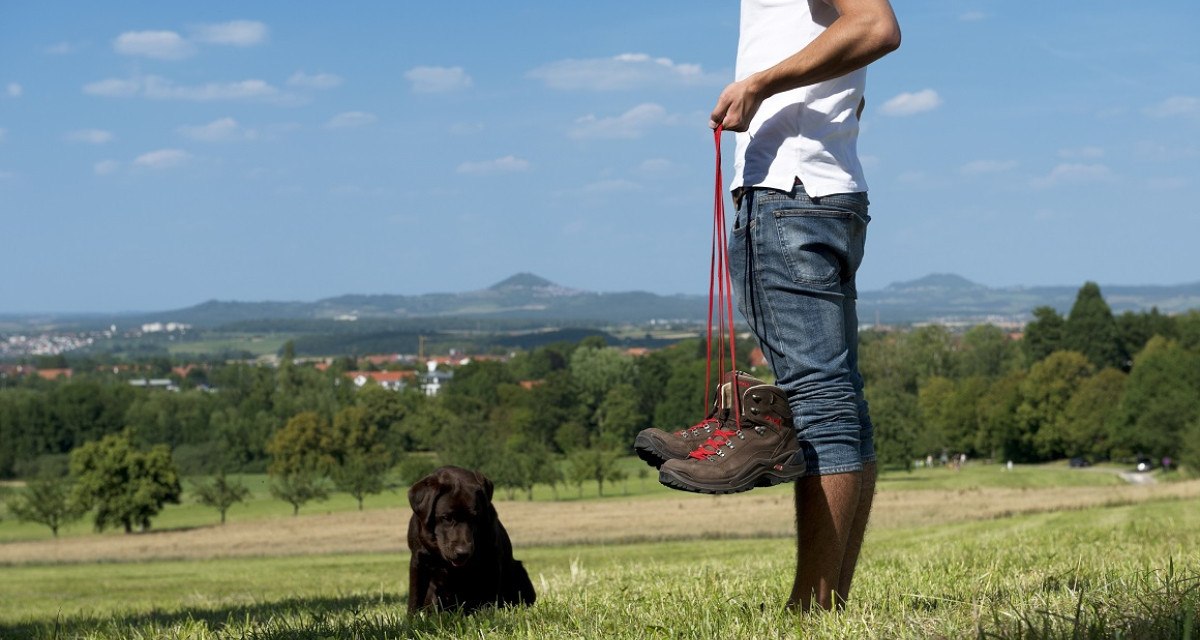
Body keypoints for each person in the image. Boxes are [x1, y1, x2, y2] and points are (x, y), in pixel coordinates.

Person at [635, 0, 900, 612]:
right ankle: (828, 601)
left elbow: (876, 26)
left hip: (790, 192)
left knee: (819, 402)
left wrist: (759, 83)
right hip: (826, 190)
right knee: (839, 400)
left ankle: (811, 608)